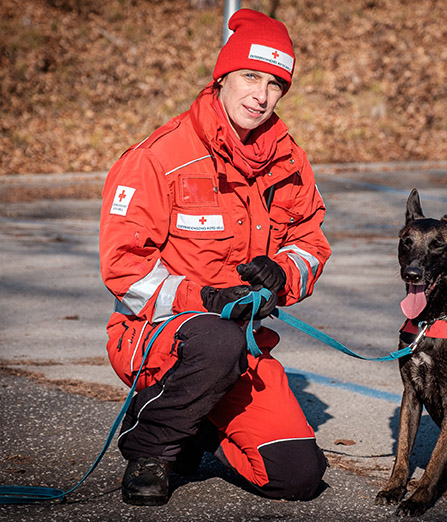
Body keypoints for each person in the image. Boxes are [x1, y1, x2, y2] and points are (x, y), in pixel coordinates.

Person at [98, 8, 331, 506]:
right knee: (216, 339)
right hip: (155, 333)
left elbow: (310, 242)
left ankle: (199, 428)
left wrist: (282, 272)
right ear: (222, 77)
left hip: (241, 346)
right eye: (250, 76)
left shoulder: (288, 159)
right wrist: (199, 294)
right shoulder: (159, 157)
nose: (260, 95)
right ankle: (151, 448)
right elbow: (123, 266)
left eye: (274, 84)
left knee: (298, 476)